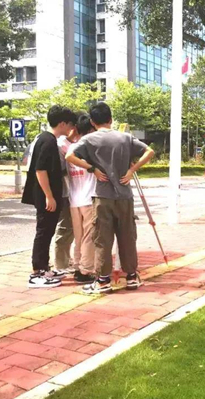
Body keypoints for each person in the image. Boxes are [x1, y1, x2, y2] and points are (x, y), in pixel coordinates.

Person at [66, 102, 154, 294]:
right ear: (111, 119)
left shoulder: (89, 139)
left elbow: (69, 156)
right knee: (127, 237)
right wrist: (131, 170)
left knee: (102, 239)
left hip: (102, 196)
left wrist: (92, 168)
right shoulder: (125, 138)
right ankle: (131, 277)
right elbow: (149, 151)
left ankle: (103, 281)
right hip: (124, 195)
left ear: (92, 121)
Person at [22, 105, 76, 288]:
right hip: (45, 195)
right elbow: (40, 169)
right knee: (44, 232)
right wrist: (49, 196)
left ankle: (44, 268)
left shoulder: (44, 138)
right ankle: (37, 273)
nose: (71, 128)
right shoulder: (48, 141)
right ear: (62, 123)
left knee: (47, 231)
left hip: (45, 194)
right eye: (70, 124)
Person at [65, 114, 97, 284]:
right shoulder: (90, 146)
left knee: (79, 236)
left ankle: (78, 266)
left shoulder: (72, 147)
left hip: (74, 199)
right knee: (89, 236)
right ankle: (86, 270)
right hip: (88, 198)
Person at [53, 121, 78, 274]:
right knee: (65, 228)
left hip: (74, 193)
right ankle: (60, 264)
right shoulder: (61, 145)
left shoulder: (72, 143)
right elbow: (60, 170)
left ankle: (66, 260)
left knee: (71, 230)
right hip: (65, 193)